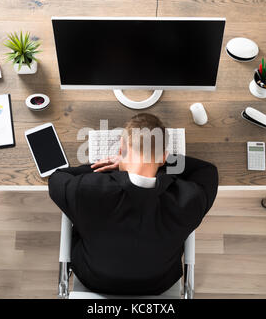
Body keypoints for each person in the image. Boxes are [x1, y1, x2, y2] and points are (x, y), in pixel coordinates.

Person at [48, 113, 218, 295]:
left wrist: (101, 168)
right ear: (164, 158)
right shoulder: (188, 200)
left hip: (95, 278)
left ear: (121, 150)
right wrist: (161, 159)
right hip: (157, 283)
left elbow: (57, 177)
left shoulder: (86, 190)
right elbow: (207, 171)